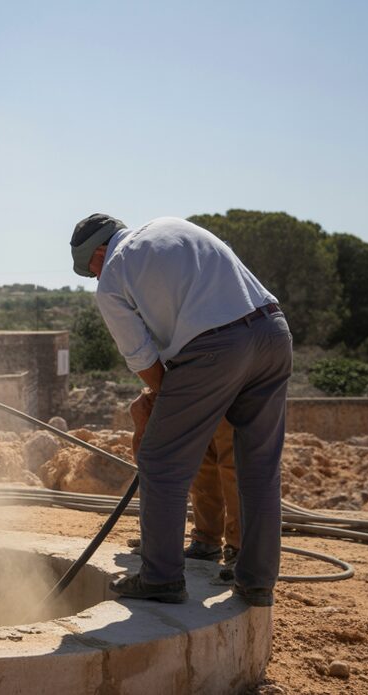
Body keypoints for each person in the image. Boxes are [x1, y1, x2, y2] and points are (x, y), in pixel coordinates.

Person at [70, 213, 291, 607]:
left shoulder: (113, 275)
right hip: (273, 332)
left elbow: (142, 358)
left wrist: (164, 398)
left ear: (100, 252)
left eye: (91, 270)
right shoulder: (172, 226)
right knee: (258, 466)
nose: (94, 278)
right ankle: (257, 582)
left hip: (216, 349)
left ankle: (161, 579)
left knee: (160, 460)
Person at [186, 418, 241, 567]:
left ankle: (239, 547)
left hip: (231, 407)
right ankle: (206, 540)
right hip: (199, 406)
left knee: (233, 465)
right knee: (202, 460)